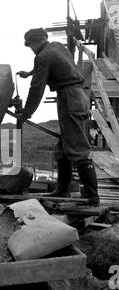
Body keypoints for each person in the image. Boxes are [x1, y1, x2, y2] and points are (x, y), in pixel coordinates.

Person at [17, 28, 99, 206]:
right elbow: (55, 64)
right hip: (80, 96)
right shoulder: (57, 47)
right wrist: (30, 72)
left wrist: (26, 113)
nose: (30, 48)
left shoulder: (42, 57)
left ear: (34, 42)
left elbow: (36, 89)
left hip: (69, 98)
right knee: (63, 147)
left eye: (29, 44)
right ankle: (63, 189)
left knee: (77, 148)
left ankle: (93, 197)